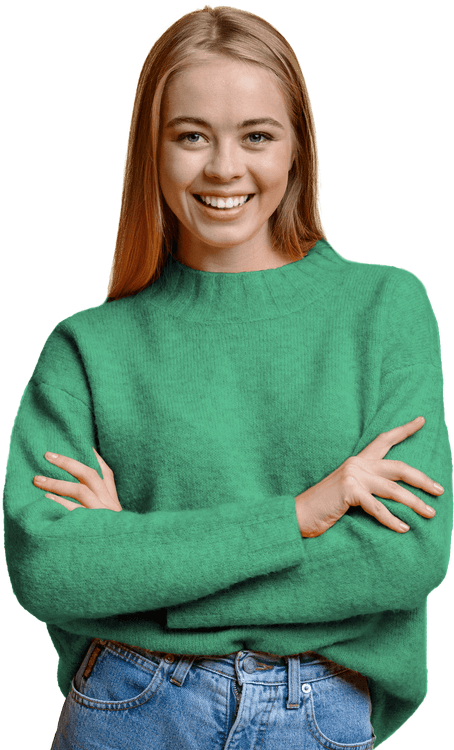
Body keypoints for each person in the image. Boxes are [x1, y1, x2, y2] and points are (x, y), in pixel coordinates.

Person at [3, 4, 452, 749]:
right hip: (132, 708)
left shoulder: (384, 307)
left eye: (257, 136)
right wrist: (298, 516)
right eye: (191, 136)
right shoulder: (87, 347)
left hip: (312, 715)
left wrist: (135, 561)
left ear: (297, 150)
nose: (223, 168)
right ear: (152, 150)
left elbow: (404, 559)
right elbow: (50, 569)